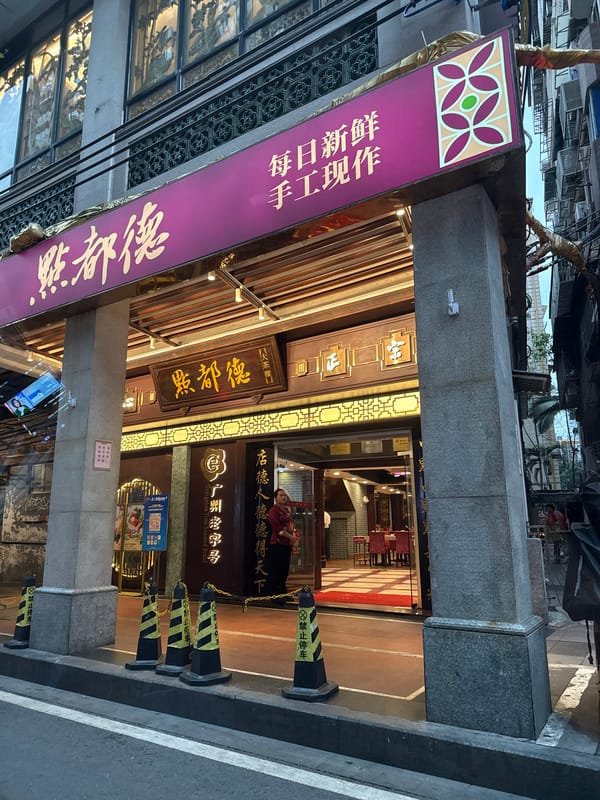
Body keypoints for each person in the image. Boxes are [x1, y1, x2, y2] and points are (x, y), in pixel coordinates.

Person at [266, 488, 299, 602]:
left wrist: (293, 536)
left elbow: (291, 525)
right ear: (275, 498)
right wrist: (291, 537)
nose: (283, 497)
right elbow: (278, 529)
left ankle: (283, 593)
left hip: (287, 544)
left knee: (284, 570)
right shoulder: (273, 511)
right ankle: (274, 596)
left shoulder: (286, 510)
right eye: (281, 495)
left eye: (284, 495)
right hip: (277, 544)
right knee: (277, 570)